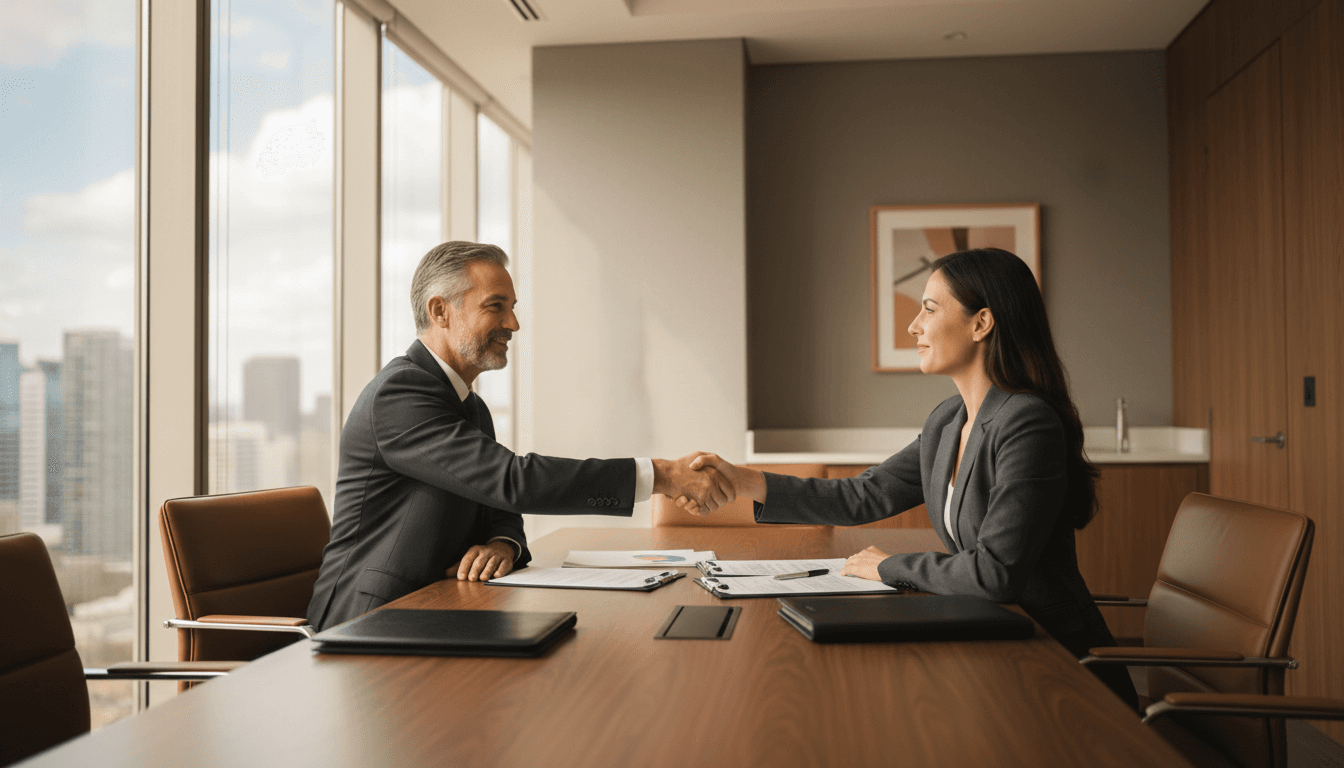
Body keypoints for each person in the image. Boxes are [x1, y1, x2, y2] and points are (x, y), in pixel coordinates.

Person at [682, 247, 1138, 709]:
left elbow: (995, 573)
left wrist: (887, 566)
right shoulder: (948, 421)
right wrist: (741, 480)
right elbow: (863, 496)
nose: (913, 326)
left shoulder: (1027, 423)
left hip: (1058, 668)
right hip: (995, 641)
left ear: (981, 323)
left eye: (929, 308)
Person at [307, 241, 734, 631]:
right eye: (496, 307)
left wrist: (503, 543)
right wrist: (661, 474)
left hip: (442, 607)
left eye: (512, 307)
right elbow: (513, 481)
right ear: (441, 312)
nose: (513, 323)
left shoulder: (468, 405)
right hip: (369, 619)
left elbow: (499, 502)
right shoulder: (400, 395)